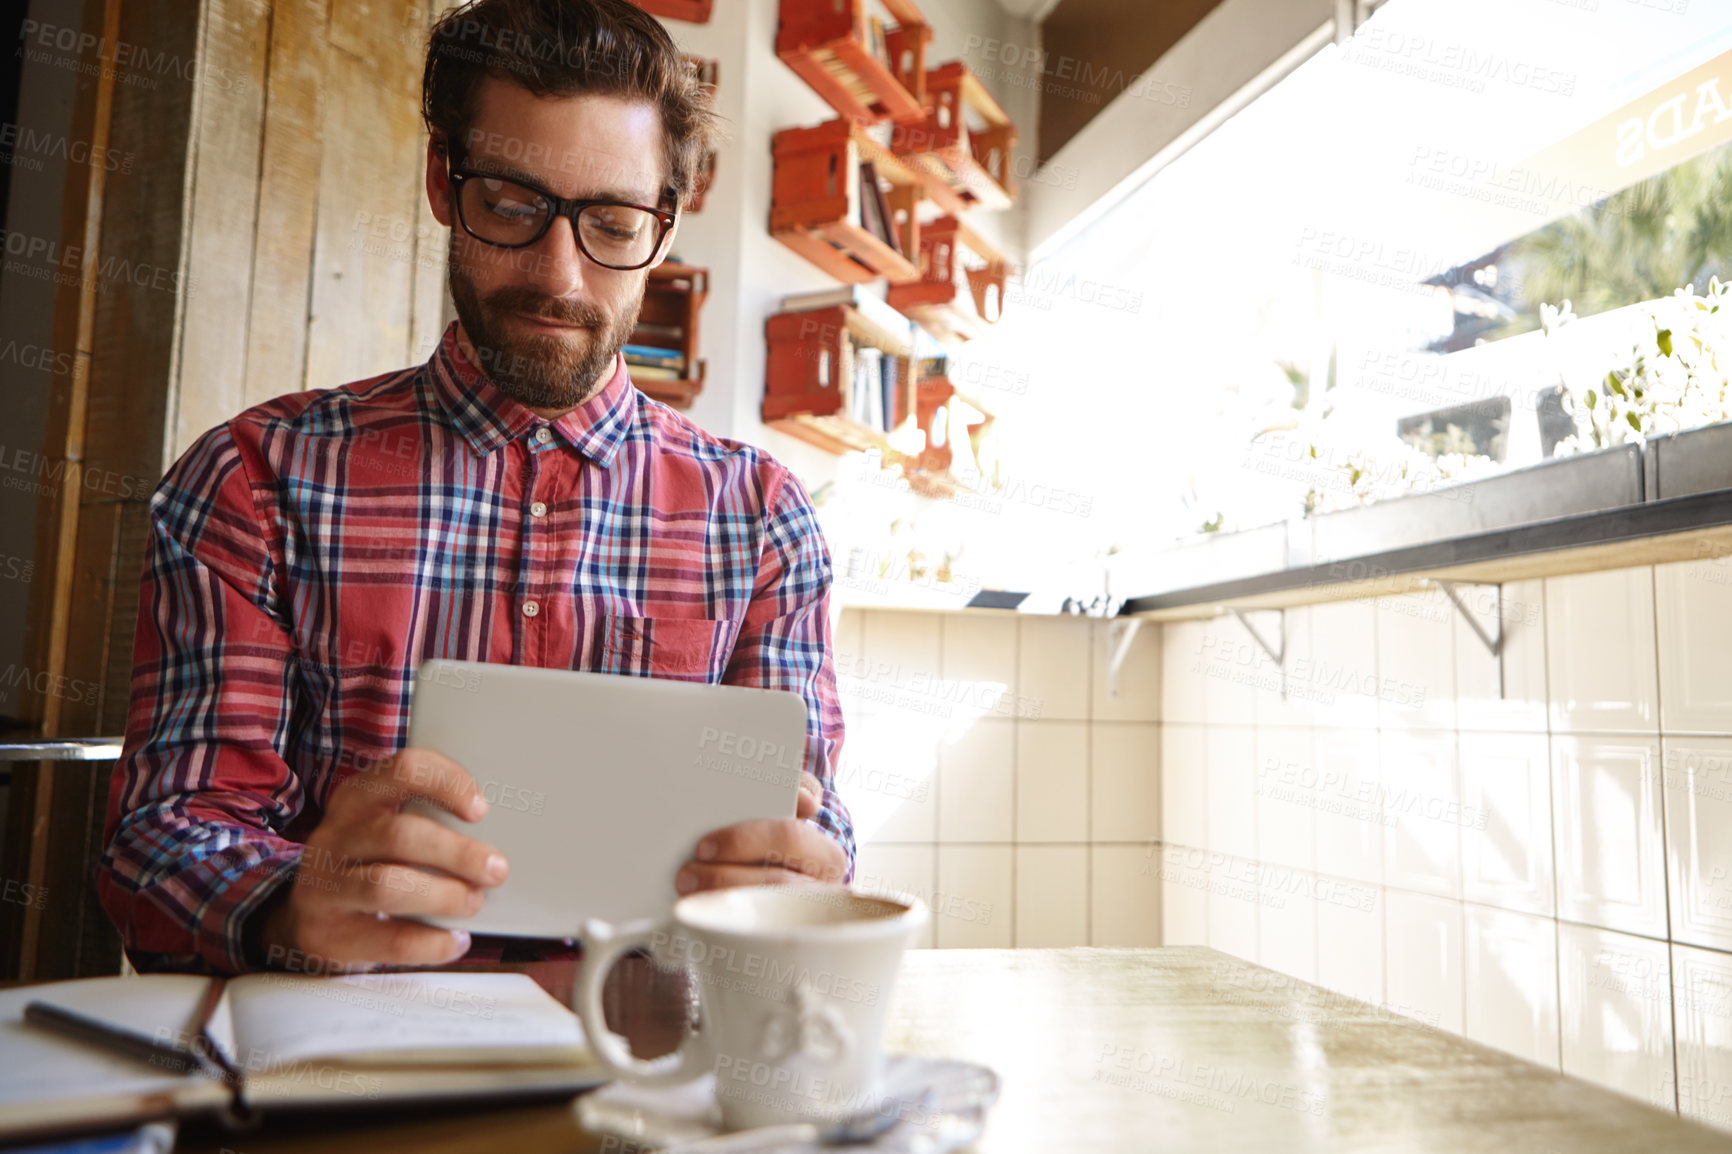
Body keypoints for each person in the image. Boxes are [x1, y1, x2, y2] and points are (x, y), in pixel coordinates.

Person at [96, 0, 853, 978]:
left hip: (647, 1073)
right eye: (509, 204)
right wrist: (286, 901)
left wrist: (803, 880)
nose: (559, 276)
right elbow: (161, 835)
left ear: (666, 223)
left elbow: (811, 830)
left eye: (613, 224)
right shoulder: (251, 480)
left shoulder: (763, 521)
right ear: (440, 181)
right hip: (335, 1082)